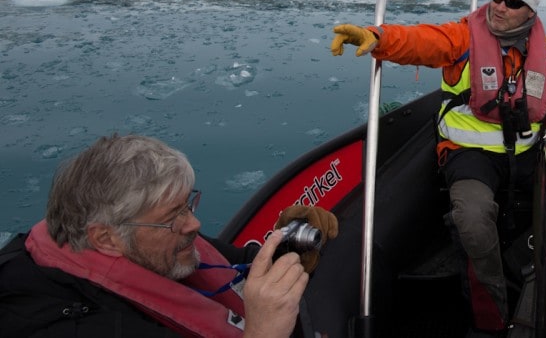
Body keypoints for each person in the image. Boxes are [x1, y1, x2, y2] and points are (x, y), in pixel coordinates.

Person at [331, 0, 546, 335]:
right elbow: (422, 40)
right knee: (472, 218)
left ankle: (527, 274)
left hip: (528, 151)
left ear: (531, 11)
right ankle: (494, 320)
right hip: (470, 154)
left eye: (512, 3)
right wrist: (376, 37)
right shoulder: (463, 36)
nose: (499, 7)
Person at [0, 133, 339, 337]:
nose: (192, 224)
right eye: (172, 217)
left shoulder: (152, 243)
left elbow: (242, 267)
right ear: (105, 239)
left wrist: (291, 241)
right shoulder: (62, 327)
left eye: (186, 205)